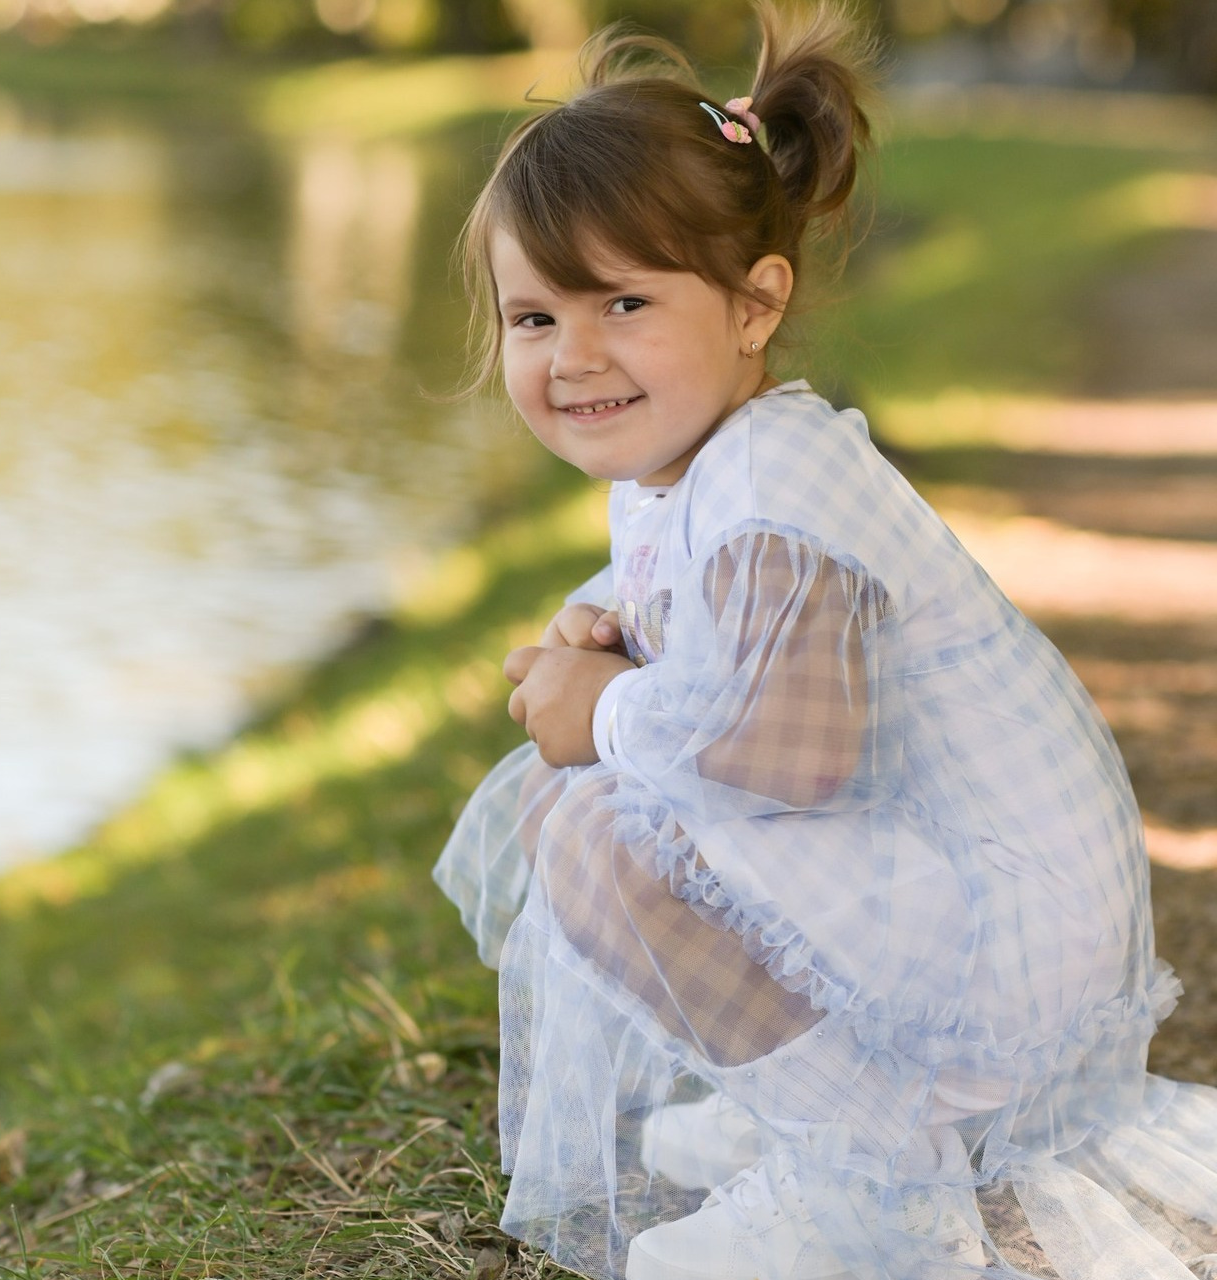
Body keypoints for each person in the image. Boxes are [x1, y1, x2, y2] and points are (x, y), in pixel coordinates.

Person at [433, 4, 1217, 1278]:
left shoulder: (779, 479)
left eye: (622, 302)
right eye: (534, 319)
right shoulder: (689, 462)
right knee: (572, 802)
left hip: (1002, 921)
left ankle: (875, 1181)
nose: (573, 356)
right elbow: (715, 633)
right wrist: (612, 633)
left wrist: (608, 711)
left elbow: (787, 758)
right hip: (947, 886)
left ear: (754, 305)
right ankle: (814, 1106)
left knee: (593, 821)